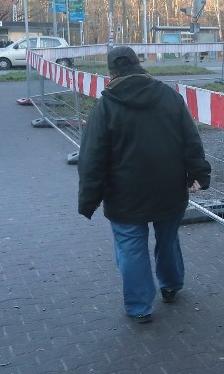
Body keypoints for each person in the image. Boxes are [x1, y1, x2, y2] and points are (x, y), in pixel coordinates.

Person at [77, 46, 211, 323]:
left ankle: (140, 307)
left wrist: (89, 198)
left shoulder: (105, 108)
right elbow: (191, 139)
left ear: (110, 73)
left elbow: (92, 158)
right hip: (169, 188)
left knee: (130, 248)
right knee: (167, 239)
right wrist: (199, 173)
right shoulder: (169, 97)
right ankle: (171, 285)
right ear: (139, 66)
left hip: (125, 195)